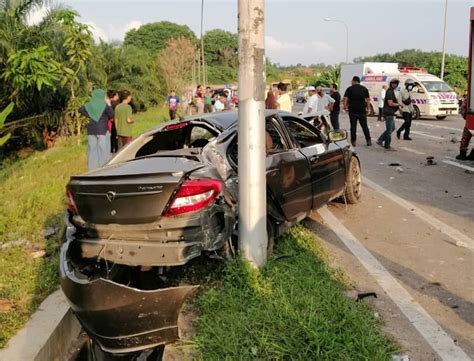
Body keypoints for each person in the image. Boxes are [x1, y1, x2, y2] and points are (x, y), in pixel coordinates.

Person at [79, 89, 114, 170]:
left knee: (92, 150)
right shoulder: (104, 105)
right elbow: (111, 114)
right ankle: (102, 168)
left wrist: (89, 115)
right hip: (102, 130)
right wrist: (108, 105)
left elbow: (80, 109)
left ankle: (91, 169)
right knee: (102, 149)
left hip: (91, 130)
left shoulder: (89, 105)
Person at [343, 76, 372, 146]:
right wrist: (368, 109)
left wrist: (345, 106)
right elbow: (368, 99)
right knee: (364, 126)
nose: (351, 82)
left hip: (353, 111)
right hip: (362, 111)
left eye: (351, 81)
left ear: (353, 81)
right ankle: (368, 140)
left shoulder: (349, 89)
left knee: (353, 126)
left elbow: (345, 98)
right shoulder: (364, 89)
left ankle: (353, 141)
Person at [377, 79, 401, 151]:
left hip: (389, 112)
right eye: (393, 83)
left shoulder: (391, 91)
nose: (395, 85)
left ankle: (380, 140)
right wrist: (398, 104)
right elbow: (390, 103)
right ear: (391, 84)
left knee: (392, 128)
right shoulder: (390, 92)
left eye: (396, 83)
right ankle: (387, 145)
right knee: (389, 130)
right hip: (388, 113)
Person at [456, 94, 474, 160]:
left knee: (465, 138)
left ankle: (462, 154)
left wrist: (466, 118)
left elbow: (463, 110)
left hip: (471, 120)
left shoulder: (468, 97)